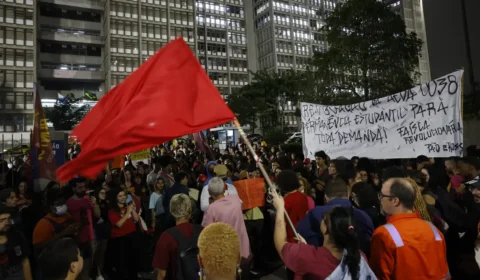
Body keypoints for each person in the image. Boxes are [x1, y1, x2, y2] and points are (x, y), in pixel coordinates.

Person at [271, 189, 377, 279]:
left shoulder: (305, 257)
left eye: (324, 217)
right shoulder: (360, 256)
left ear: (326, 229)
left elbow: (281, 244)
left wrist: (280, 209)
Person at [369, 178, 450, 279]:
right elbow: (444, 272)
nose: (380, 200)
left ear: (395, 201)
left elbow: (380, 276)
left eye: (382, 196)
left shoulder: (383, 234)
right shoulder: (433, 229)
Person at [296, 179, 374, 256]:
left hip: (322, 265)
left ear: (325, 197)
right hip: (358, 264)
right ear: (348, 194)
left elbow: (300, 236)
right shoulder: (363, 216)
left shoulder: (312, 215)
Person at [152, 194, 203, 280]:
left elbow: (162, 274)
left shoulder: (166, 237)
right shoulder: (203, 232)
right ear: (190, 210)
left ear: (172, 211)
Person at [201, 177, 250, 259]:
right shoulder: (236, 199)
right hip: (242, 247)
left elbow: (206, 231)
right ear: (224, 189)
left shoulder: (211, 209)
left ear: (209, 192)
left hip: (225, 251)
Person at [66, 177, 100, 280]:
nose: (83, 189)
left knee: (91, 262)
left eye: (84, 187)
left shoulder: (88, 199)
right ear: (73, 189)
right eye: (80, 187)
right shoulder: (69, 203)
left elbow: (97, 215)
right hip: (76, 239)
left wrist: (95, 204)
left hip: (90, 236)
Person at [106, 188, 140, 280]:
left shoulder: (127, 206)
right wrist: (128, 212)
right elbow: (119, 224)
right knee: (122, 264)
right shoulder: (112, 210)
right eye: (120, 196)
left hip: (132, 236)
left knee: (132, 261)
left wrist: (131, 209)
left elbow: (136, 219)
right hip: (120, 240)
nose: (123, 197)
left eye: (124, 195)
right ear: (115, 198)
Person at [0, 204, 33, 280]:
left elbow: (25, 260)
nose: (6, 222)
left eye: (8, 219)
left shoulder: (17, 235)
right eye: (2, 220)